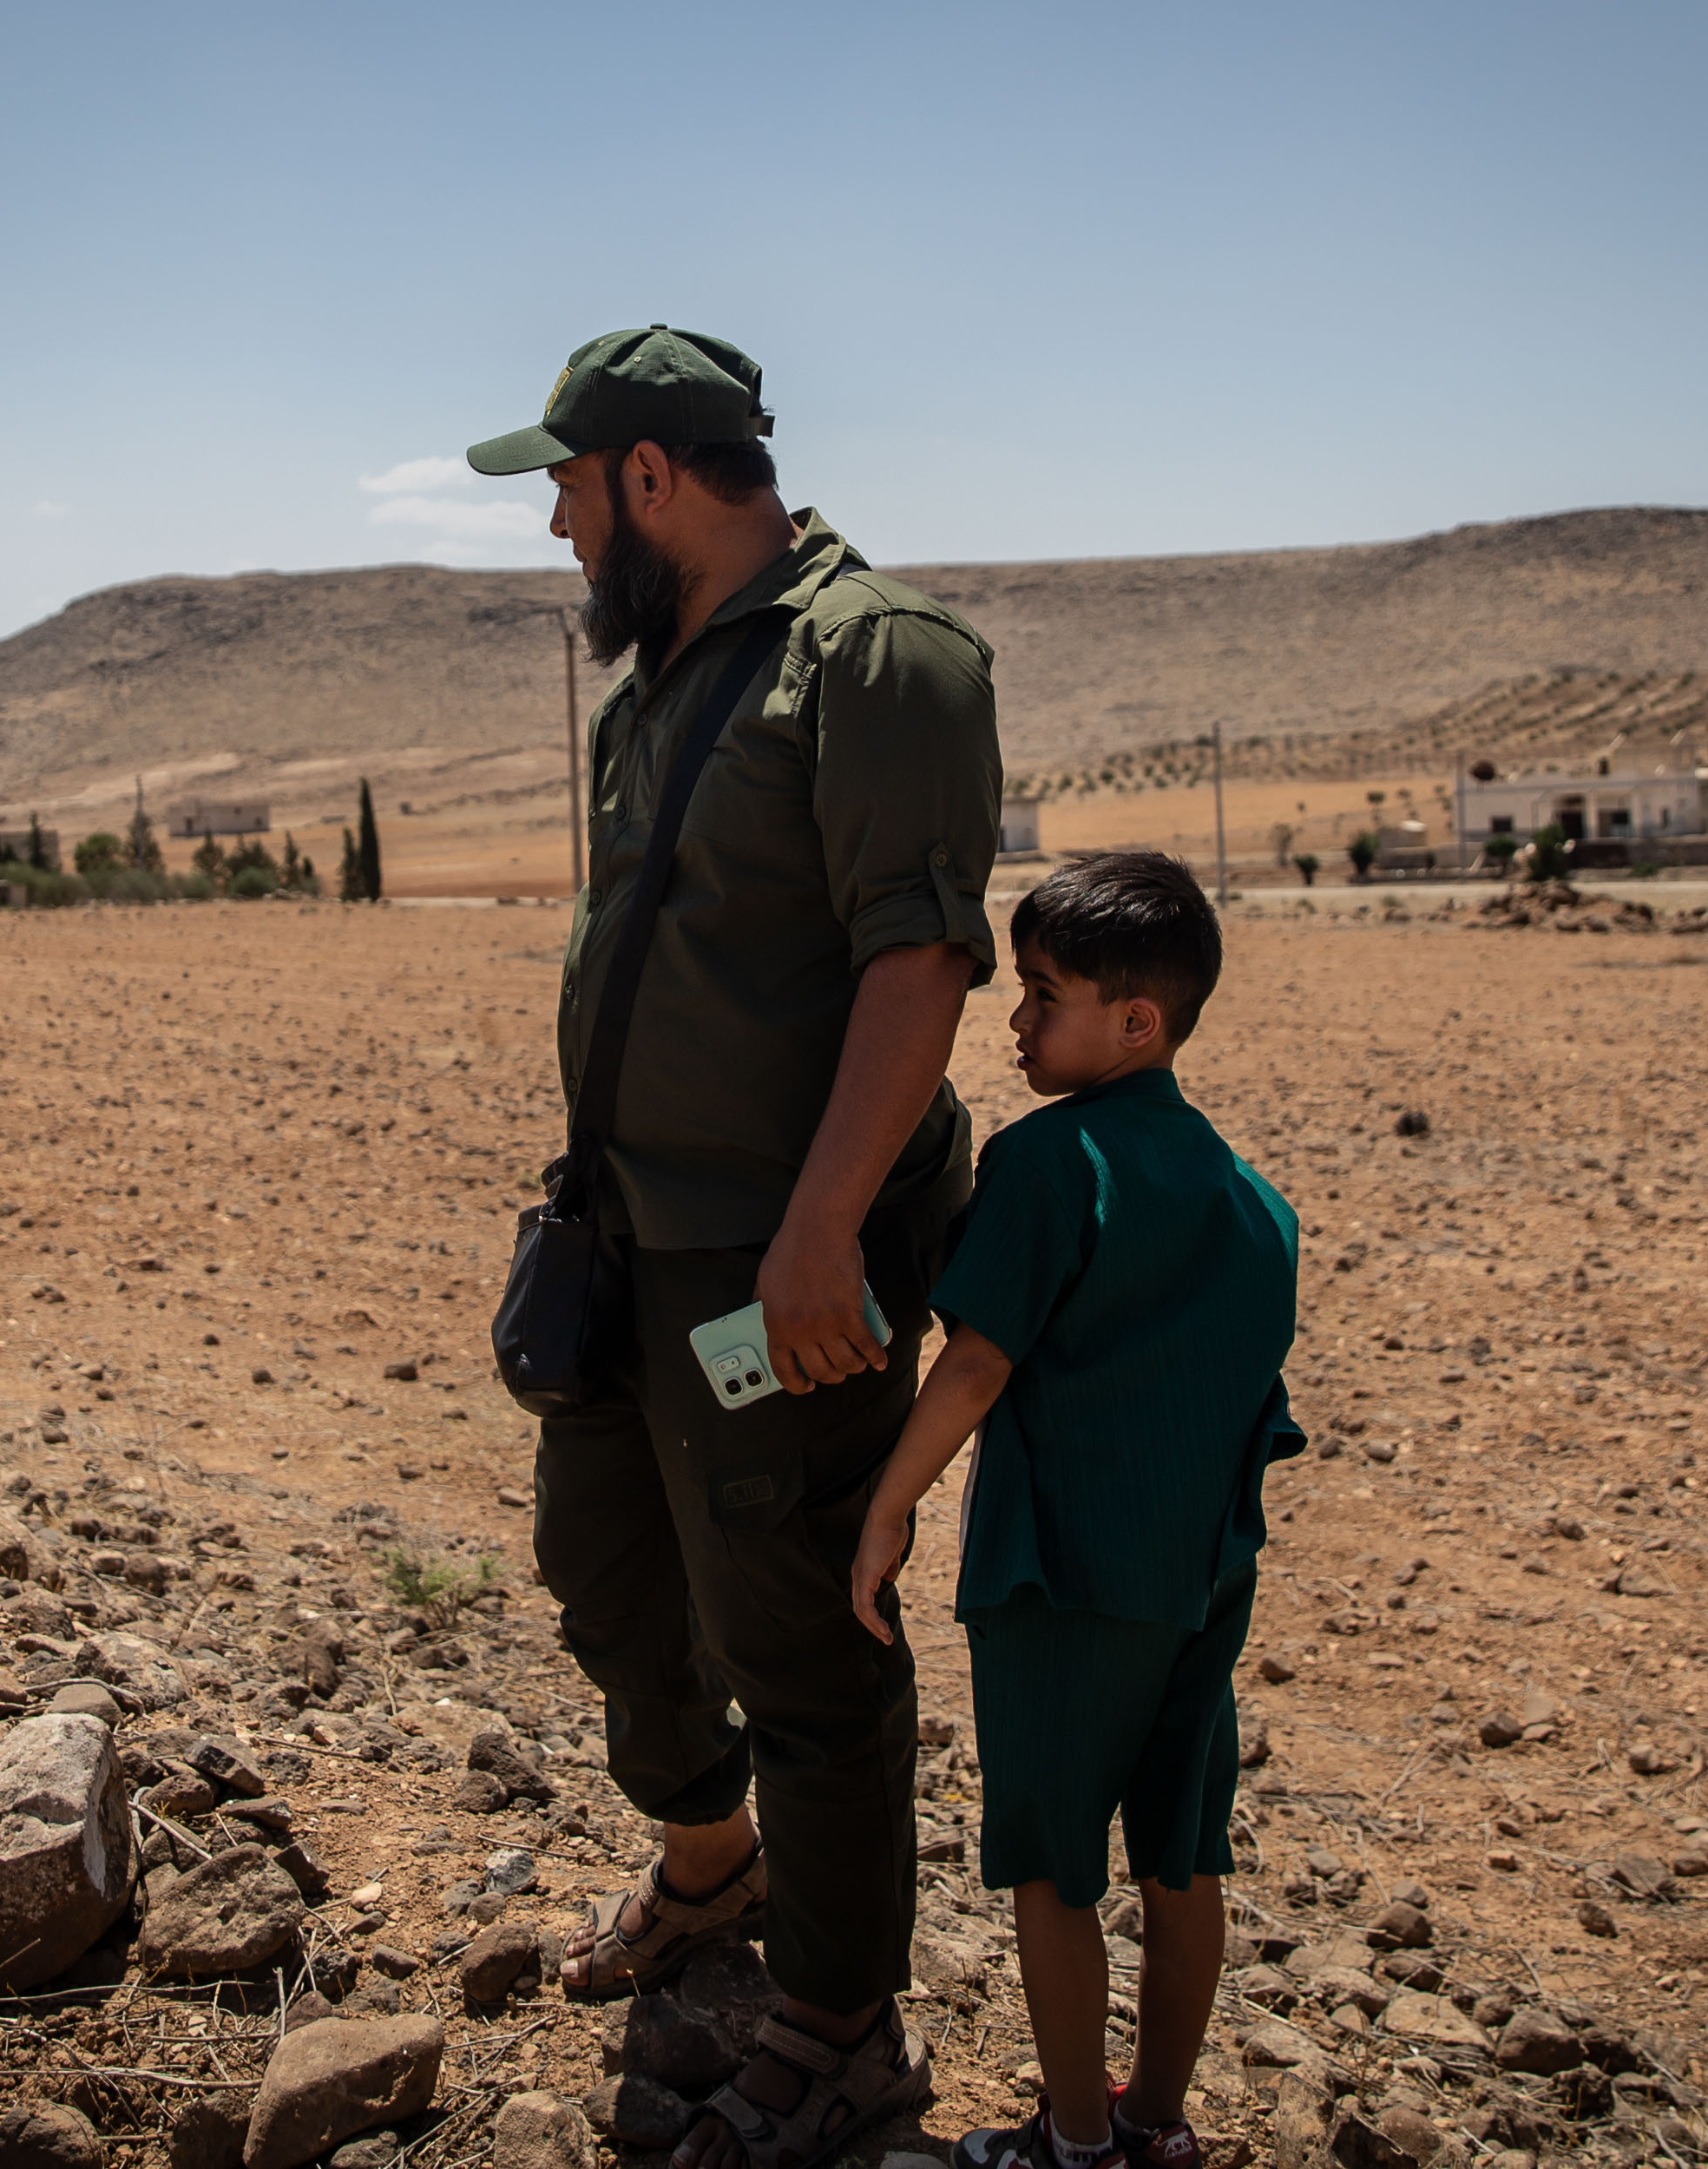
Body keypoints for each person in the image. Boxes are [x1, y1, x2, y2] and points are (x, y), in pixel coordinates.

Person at [467, 326, 1002, 2169]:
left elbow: (918, 961)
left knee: (804, 1642)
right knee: (602, 1571)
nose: (549, 521)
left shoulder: (884, 660)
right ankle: (713, 1863)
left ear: (647, 475)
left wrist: (823, 1230)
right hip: (632, 1239)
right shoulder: (662, 679)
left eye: (562, 480)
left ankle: (843, 2020)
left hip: (780, 1264)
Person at [848, 851, 1304, 2169]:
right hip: (1200, 1577)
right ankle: (1157, 2123)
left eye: (1042, 993)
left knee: (1050, 1862)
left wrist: (885, 1511)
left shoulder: (1050, 1164)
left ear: (1135, 1021)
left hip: (1059, 1578)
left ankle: (1074, 2143)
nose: (1016, 1020)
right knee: (1180, 1852)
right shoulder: (1252, 1203)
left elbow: (978, 1362)